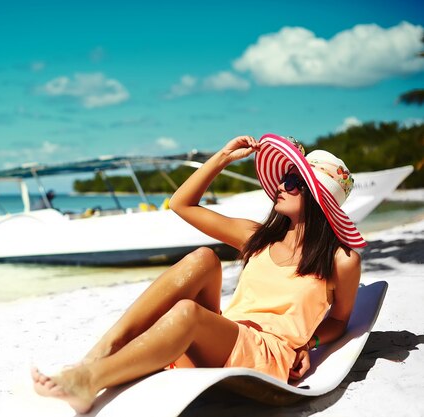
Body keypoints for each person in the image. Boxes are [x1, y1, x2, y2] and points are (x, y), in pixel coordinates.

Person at [31, 134, 365, 413]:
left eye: (293, 182)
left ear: (318, 199)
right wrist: (222, 157)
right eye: (284, 177)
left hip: (268, 355)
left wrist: (310, 343)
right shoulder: (259, 237)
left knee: (187, 313)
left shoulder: (341, 260)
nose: (281, 184)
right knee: (203, 258)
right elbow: (181, 204)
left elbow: (339, 320)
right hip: (228, 335)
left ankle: (89, 381)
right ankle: (99, 355)